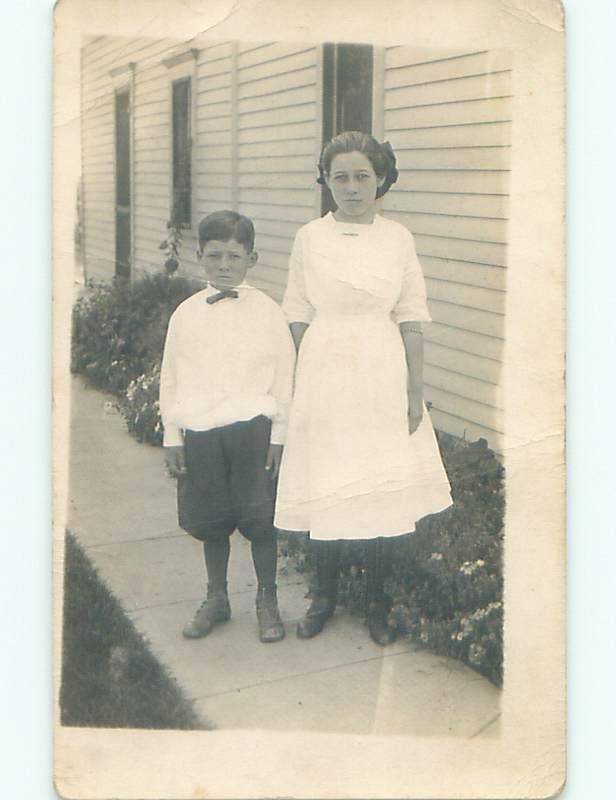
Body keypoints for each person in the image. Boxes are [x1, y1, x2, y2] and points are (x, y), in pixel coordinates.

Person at [274, 131, 453, 645]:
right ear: (326, 182)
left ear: (381, 181)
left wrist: (414, 391)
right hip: (325, 367)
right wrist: (303, 378)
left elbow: (412, 316)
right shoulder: (310, 237)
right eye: (340, 178)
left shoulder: (397, 238)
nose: (351, 188)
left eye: (362, 177)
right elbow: (297, 311)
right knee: (329, 479)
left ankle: (377, 601)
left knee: (379, 483)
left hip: (381, 367)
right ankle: (323, 597)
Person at [159, 210, 296, 643]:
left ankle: (267, 600)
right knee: (211, 519)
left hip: (252, 431)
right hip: (201, 431)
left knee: (260, 519)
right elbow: (171, 377)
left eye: (233, 257)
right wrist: (172, 434)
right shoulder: (186, 314)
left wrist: (279, 435)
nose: (223, 266)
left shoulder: (269, 313)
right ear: (199, 256)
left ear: (251, 259)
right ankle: (216, 598)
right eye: (214, 256)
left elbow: (284, 378)